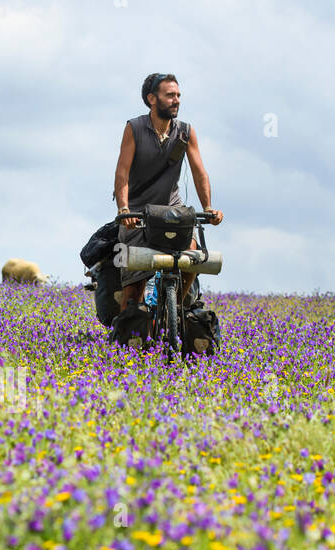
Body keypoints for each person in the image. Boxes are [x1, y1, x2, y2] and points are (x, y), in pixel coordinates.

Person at [108, 73, 223, 346]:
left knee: (193, 251)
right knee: (133, 289)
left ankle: (176, 305)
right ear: (152, 99)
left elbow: (199, 172)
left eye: (178, 96)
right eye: (170, 95)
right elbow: (121, 174)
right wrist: (124, 211)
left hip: (172, 211)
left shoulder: (185, 131)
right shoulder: (134, 128)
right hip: (138, 213)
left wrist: (208, 207)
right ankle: (129, 340)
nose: (176, 100)